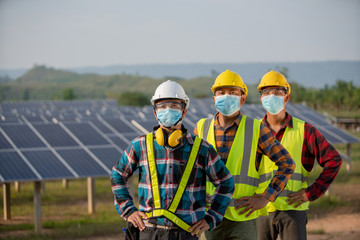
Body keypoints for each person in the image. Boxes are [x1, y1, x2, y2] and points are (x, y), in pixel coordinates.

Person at [110, 80, 235, 240]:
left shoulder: (202, 149)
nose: (168, 110)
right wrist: (128, 210)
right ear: (155, 113)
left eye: (174, 106)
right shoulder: (139, 145)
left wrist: (211, 218)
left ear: (184, 112)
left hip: (185, 233)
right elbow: (117, 175)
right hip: (148, 231)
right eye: (162, 106)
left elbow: (226, 183)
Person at [195, 70, 295, 240]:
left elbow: (287, 163)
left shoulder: (256, 129)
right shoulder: (201, 127)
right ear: (214, 99)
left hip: (243, 218)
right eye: (221, 92)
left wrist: (265, 198)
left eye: (233, 93)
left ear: (243, 99)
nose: (226, 96)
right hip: (209, 216)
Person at [256, 70, 343, 240]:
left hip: (293, 209)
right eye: (266, 92)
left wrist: (311, 193)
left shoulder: (305, 131)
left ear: (287, 97)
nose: (271, 96)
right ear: (261, 98)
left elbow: (334, 160)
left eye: (277, 92)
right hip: (261, 209)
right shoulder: (253, 131)